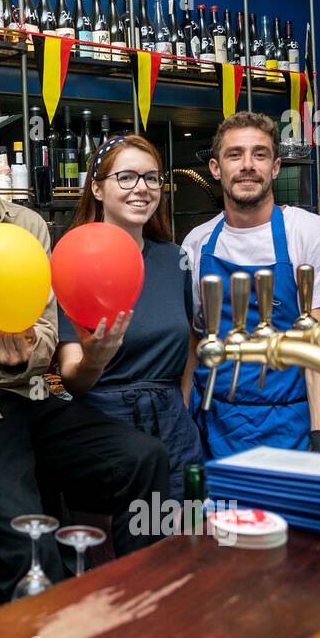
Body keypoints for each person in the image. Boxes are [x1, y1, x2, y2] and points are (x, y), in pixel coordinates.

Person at [0, 91, 171, 601]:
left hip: (39, 397)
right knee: (31, 549)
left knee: (144, 458)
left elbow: (44, 338)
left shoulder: (29, 225)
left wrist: (9, 353)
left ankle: (142, 600)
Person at [182, 110, 320, 458]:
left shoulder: (312, 234)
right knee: (218, 514)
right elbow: (194, 341)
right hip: (214, 422)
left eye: (259, 154)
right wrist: (183, 423)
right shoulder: (196, 244)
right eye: (235, 154)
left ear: (275, 167)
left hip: (291, 422)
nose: (247, 165)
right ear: (216, 168)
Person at [55, 133, 203, 501]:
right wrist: (95, 358)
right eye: (126, 177)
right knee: (129, 548)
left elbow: (190, 341)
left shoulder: (175, 259)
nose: (142, 188)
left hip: (175, 426)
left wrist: (181, 404)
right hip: (106, 428)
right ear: (98, 189)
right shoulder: (72, 260)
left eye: (152, 177)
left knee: (185, 541)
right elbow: (73, 379)